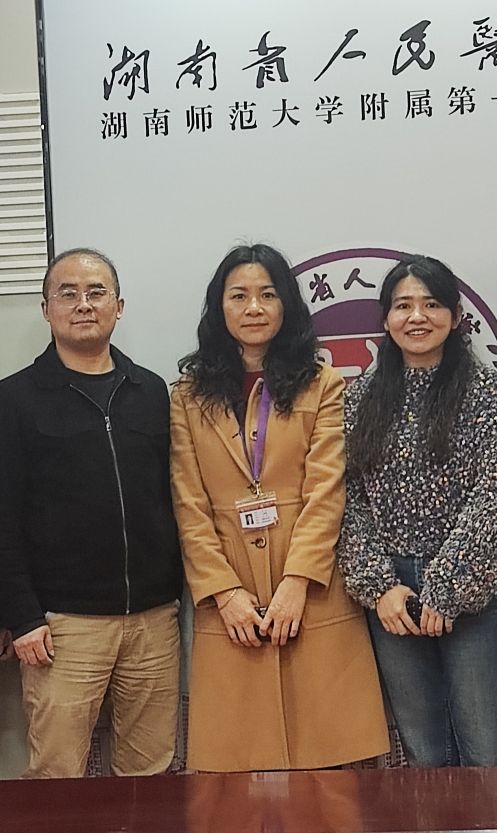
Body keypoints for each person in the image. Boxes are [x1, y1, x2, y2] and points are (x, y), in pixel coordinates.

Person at [170, 243, 389, 771]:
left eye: (267, 295)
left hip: (313, 592)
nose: (254, 308)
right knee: (235, 781)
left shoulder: (322, 383)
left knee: (331, 778)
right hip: (232, 598)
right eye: (238, 296)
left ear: (287, 304)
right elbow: (188, 503)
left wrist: (297, 581)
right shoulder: (188, 395)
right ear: (219, 307)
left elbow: (326, 490)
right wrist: (224, 593)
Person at [0, 248, 184, 778]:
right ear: (46, 309)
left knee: (150, 775)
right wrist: (21, 617)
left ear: (119, 306)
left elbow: (174, 497)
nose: (83, 304)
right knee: (58, 779)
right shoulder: (12, 400)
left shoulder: (151, 392)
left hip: (153, 619)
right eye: (67, 294)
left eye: (96, 293)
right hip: (61, 627)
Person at [338, 255, 497, 768]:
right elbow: (347, 499)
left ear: (456, 316)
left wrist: (447, 587)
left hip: (474, 594)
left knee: (486, 754)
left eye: (432, 304)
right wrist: (378, 586)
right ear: (385, 318)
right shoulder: (361, 399)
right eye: (403, 306)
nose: (417, 317)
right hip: (392, 596)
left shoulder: (489, 394)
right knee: (423, 755)